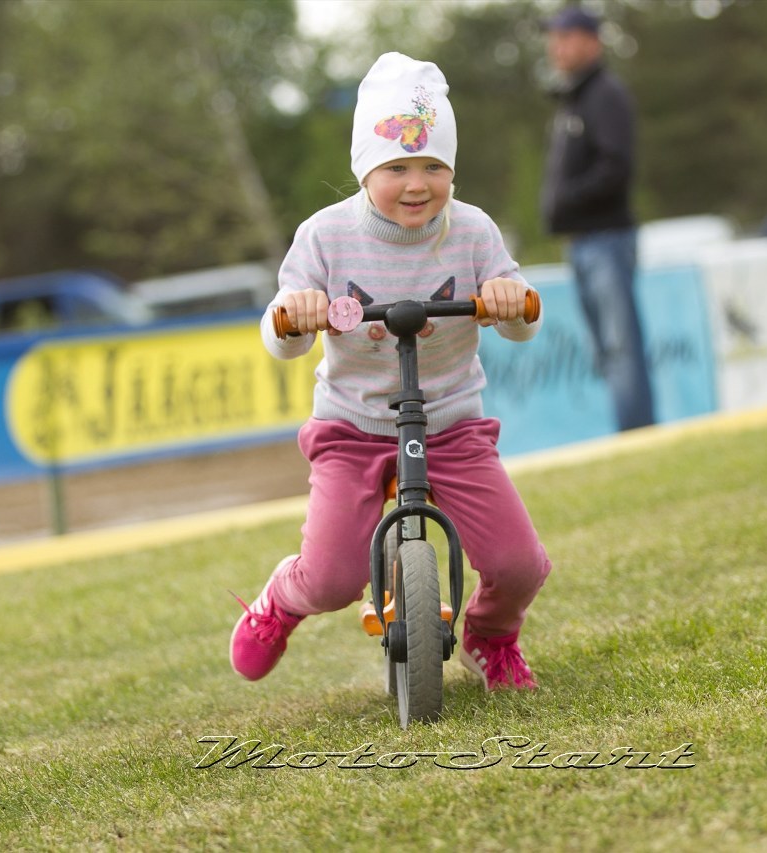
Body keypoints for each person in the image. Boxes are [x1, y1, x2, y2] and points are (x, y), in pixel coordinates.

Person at [229, 53, 551, 691]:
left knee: (521, 563)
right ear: (365, 170)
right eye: (396, 168)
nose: (416, 184)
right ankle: (282, 599)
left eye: (433, 166)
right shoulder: (325, 236)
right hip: (352, 426)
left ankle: (490, 635)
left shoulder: (473, 232)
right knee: (332, 578)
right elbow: (281, 337)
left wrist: (510, 301)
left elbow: (521, 322)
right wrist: (295, 318)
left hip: (452, 423)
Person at [540, 6, 655, 432]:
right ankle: (631, 430)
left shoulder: (604, 94)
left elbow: (616, 167)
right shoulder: (574, 97)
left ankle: (638, 435)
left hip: (606, 238)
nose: (557, 47)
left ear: (593, 42)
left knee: (621, 345)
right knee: (608, 349)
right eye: (554, 38)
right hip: (584, 241)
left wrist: (566, 199)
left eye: (566, 37)